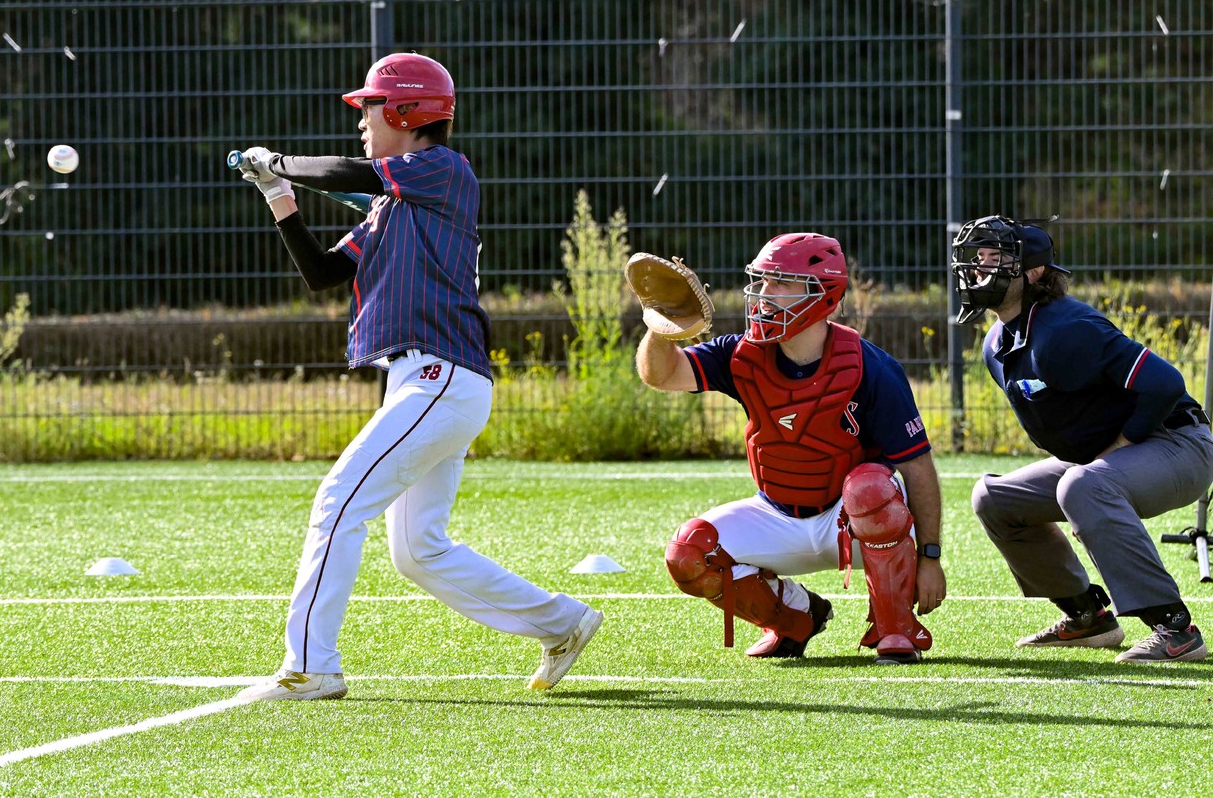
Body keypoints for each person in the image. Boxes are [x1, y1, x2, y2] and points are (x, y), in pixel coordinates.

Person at [229, 52, 602, 701]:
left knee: (337, 499)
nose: (363, 121)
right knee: (418, 549)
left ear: (407, 111)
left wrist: (280, 160)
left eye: (371, 107)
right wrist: (279, 198)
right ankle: (562, 622)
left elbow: (355, 171)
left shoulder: (441, 167)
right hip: (427, 382)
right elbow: (322, 272)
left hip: (439, 374)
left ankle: (312, 665)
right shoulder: (387, 208)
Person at [635, 233, 946, 664]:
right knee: (690, 552)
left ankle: (895, 627)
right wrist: (660, 326)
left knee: (870, 487)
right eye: (762, 281)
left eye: (781, 282)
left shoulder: (871, 367)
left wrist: (930, 557)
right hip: (778, 514)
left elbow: (918, 469)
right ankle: (795, 618)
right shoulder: (742, 354)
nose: (764, 294)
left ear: (823, 295)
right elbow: (661, 375)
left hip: (853, 522)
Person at [952, 216, 1213, 663]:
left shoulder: (1065, 328)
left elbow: (1165, 383)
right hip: (1109, 458)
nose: (980, 269)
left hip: (1180, 443)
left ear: (1032, 272)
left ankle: (1175, 628)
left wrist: (1109, 458)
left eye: (996, 259)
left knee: (1083, 486)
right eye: (979, 259)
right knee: (993, 497)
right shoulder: (996, 342)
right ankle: (1086, 616)